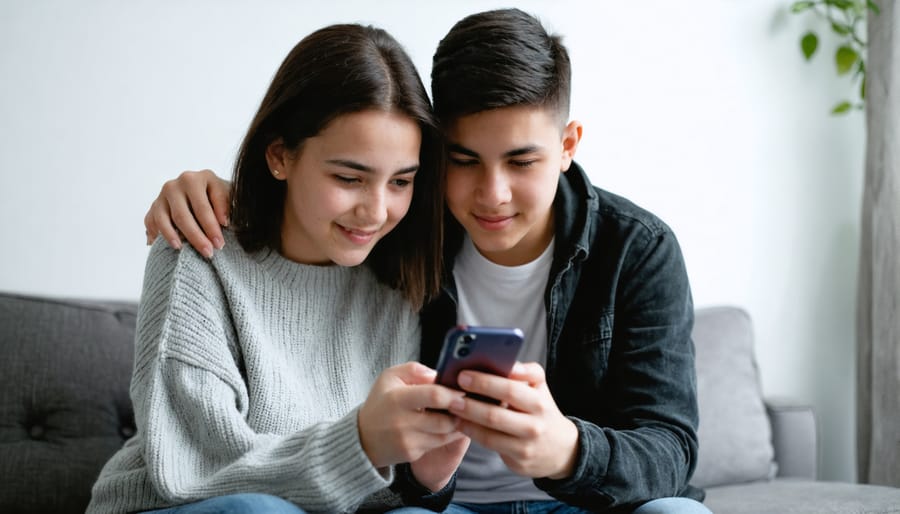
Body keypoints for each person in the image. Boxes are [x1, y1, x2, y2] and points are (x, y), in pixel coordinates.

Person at [144, 9, 712, 514]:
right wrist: (215, 190)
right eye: (463, 160)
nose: (492, 195)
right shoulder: (398, 241)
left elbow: (670, 447)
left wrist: (566, 450)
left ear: (567, 145)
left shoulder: (633, 249)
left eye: (521, 162)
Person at [88, 23, 473, 514]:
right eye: (349, 177)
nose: (377, 211)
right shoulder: (199, 248)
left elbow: (367, 493)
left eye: (401, 181)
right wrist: (361, 443)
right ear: (279, 156)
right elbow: (194, 469)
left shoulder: (395, 281)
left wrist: (427, 479)